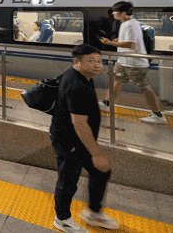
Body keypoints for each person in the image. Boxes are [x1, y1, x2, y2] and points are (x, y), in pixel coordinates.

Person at [49, 44, 119, 233]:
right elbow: (79, 124)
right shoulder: (77, 85)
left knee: (101, 171)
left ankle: (94, 212)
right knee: (68, 181)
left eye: (99, 61)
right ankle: (62, 219)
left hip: (78, 140)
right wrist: (96, 154)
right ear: (76, 62)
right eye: (91, 61)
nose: (97, 65)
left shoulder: (82, 77)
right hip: (69, 141)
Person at [100, 1, 166, 124]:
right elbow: (130, 41)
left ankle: (158, 115)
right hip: (123, 61)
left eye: (115, 11)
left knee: (144, 87)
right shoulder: (129, 23)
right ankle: (107, 103)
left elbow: (130, 44)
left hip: (134, 63)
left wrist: (110, 43)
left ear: (123, 13)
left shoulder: (129, 25)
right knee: (116, 80)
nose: (113, 14)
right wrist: (119, 40)